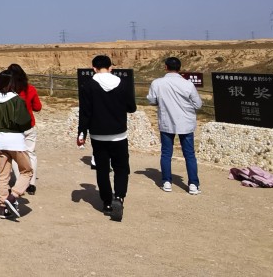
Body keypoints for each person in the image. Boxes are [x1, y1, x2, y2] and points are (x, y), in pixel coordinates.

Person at [77, 55, 136, 222]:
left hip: (98, 134)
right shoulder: (122, 83)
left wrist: (82, 133)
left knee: (102, 169)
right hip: (119, 134)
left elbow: (85, 112)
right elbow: (132, 107)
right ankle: (119, 197)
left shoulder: (88, 85)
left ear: (93, 68)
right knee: (121, 167)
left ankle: (107, 202)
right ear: (111, 67)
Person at [147, 57, 203, 195]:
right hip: (186, 123)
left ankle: (166, 182)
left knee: (166, 153)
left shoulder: (157, 83)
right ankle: (193, 185)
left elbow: (152, 100)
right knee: (189, 155)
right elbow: (198, 104)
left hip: (167, 122)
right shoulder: (188, 84)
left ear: (165, 67)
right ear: (180, 68)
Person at [0, 70, 33, 219]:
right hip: (16, 141)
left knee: (3, 175)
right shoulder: (17, 100)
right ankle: (13, 196)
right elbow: (25, 122)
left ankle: (3, 207)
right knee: (27, 171)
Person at [8, 64, 42, 195]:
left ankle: (20, 182)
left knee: (17, 157)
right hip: (29, 125)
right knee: (31, 154)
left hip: (14, 128)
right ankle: (31, 183)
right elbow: (38, 107)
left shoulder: (8, 91)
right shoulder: (31, 89)